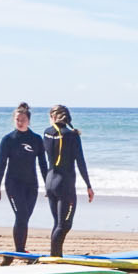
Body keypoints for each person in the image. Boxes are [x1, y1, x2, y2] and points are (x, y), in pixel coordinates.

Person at [0, 103, 47, 252]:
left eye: (23, 119)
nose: (20, 122)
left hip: (31, 185)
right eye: (17, 119)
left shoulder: (36, 139)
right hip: (13, 184)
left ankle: (21, 249)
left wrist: (48, 185)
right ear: (14, 120)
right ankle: (20, 250)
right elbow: (2, 164)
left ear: (29, 120)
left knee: (24, 218)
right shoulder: (8, 140)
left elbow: (43, 164)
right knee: (22, 215)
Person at [43, 106, 93, 256]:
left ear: (52, 117)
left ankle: (56, 255)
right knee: (65, 225)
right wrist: (88, 185)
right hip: (64, 184)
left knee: (57, 223)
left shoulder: (46, 132)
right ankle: (55, 257)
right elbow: (81, 162)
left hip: (50, 182)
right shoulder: (72, 135)